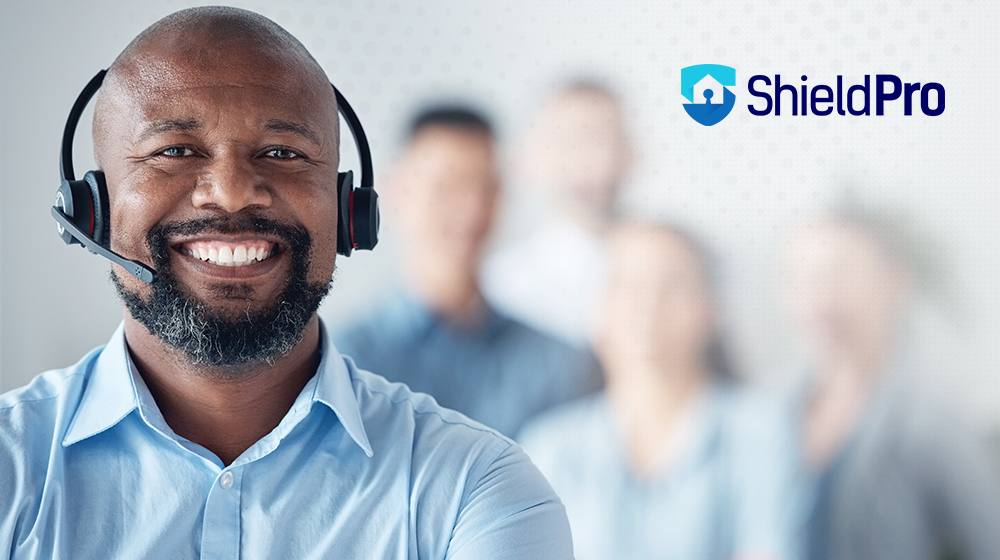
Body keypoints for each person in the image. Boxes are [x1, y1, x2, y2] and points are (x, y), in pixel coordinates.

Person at [0, 8, 573, 559]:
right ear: (90, 209)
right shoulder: (13, 464)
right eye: (174, 150)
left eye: (283, 152)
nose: (229, 191)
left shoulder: (479, 488)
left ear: (351, 212)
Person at [519, 222, 801, 560]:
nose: (648, 303)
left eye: (673, 285)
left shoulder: (760, 429)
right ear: (595, 309)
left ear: (713, 311)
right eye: (626, 284)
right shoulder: (550, 447)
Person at [333, 106, 602, 438]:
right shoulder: (342, 362)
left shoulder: (558, 365)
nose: (470, 208)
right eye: (447, 187)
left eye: (486, 187)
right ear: (397, 191)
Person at [782, 209, 1000, 560]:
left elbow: (990, 540)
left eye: (837, 276)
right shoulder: (770, 407)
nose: (819, 296)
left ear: (894, 284)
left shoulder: (935, 418)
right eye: (801, 279)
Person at [481, 80, 633, 348]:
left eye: (613, 138)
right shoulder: (501, 288)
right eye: (577, 141)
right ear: (532, 158)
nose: (601, 159)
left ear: (633, 153)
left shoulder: (682, 272)